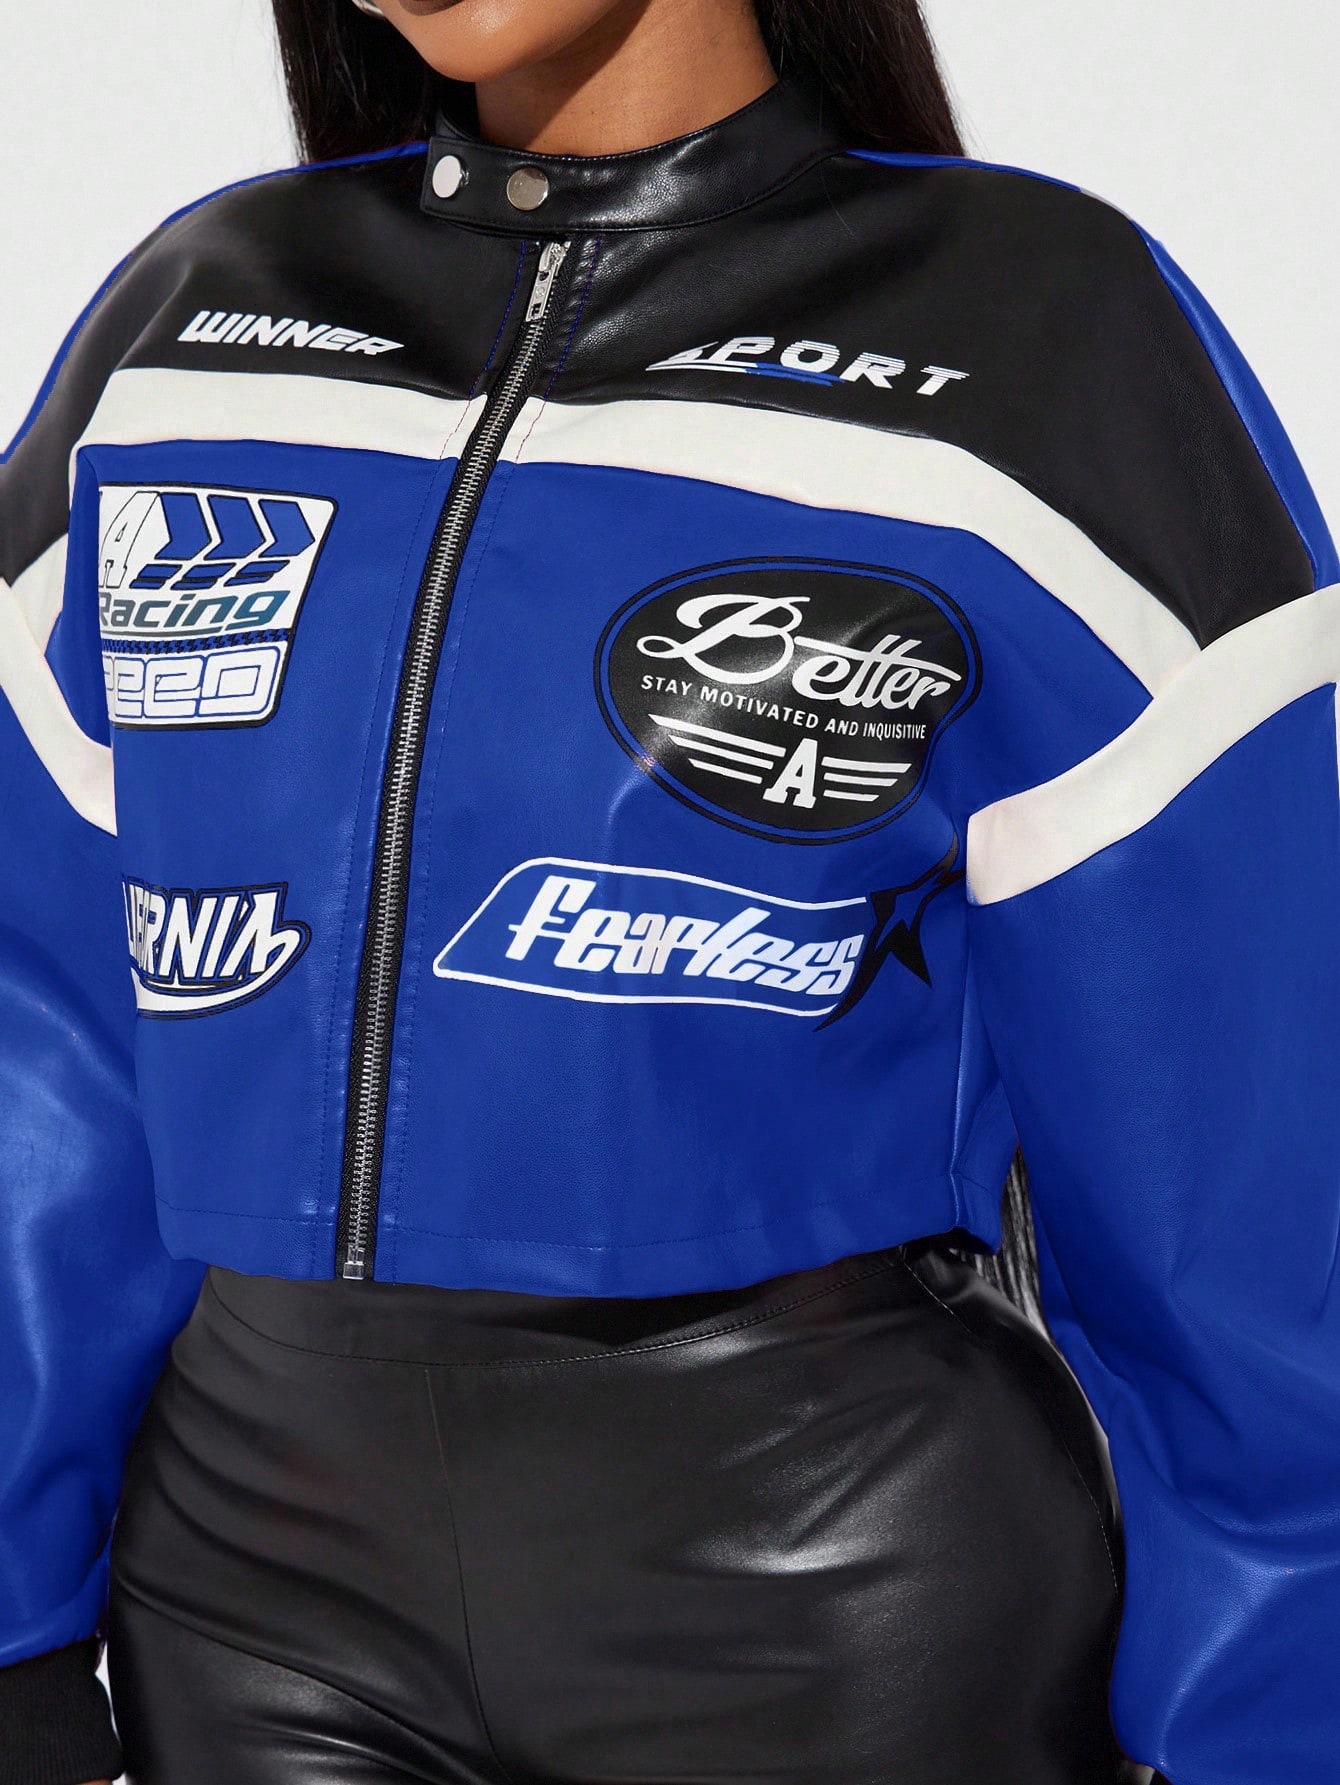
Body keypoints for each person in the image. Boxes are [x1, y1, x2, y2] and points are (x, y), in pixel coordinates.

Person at [1, 0, 1337, 1780]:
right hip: (257, 1591)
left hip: (826, 1574)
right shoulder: (190, 329)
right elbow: (45, 1030)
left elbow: (1234, 1130)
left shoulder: (1039, 328)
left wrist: (1278, 1718)